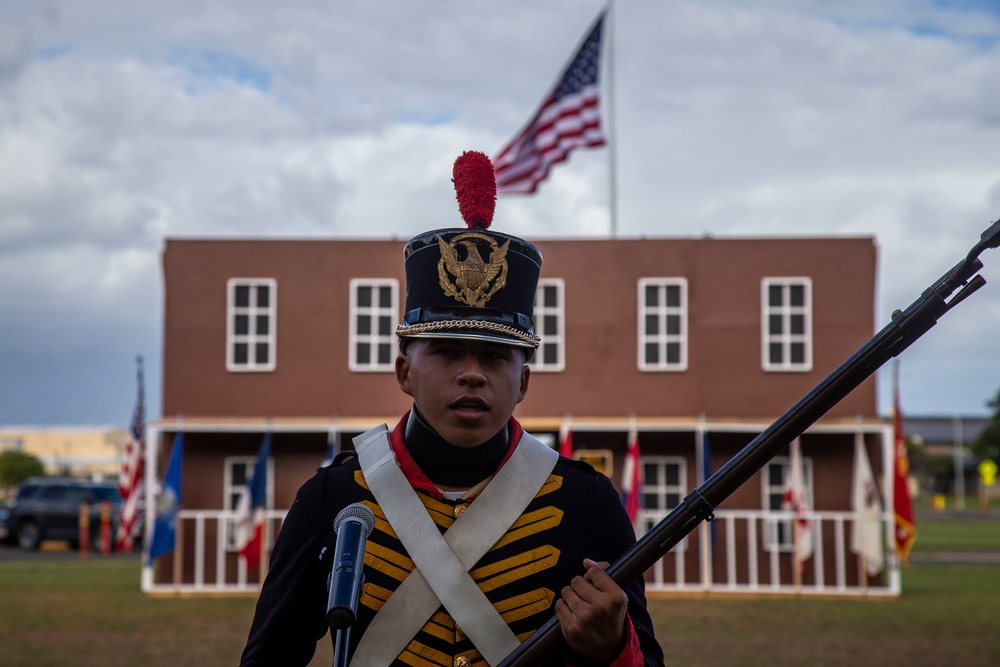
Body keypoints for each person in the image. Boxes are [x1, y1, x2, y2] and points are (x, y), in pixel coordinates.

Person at [240, 152, 664, 667]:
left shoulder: (588, 501)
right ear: (404, 372)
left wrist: (614, 650)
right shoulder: (332, 498)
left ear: (523, 381)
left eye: (494, 355)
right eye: (446, 352)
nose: (472, 373)